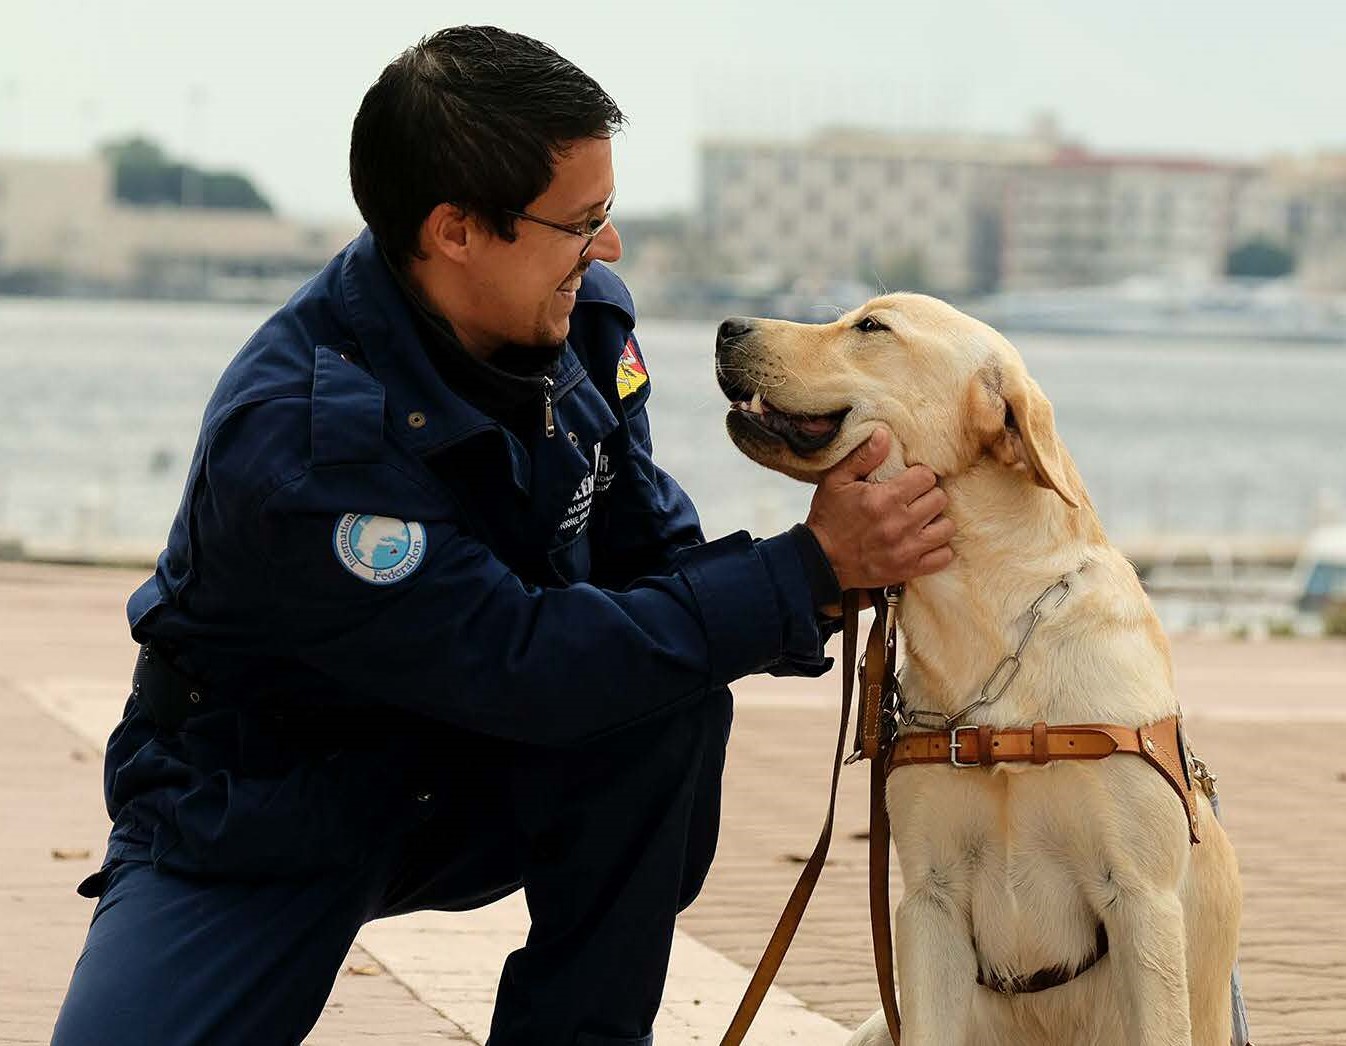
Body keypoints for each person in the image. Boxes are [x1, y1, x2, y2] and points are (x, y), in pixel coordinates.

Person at [52, 25, 954, 1046]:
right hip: (264, 801)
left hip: (474, 765)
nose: (607, 248)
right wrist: (805, 563)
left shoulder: (582, 326)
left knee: (663, 705)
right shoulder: (306, 445)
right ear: (455, 231)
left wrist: (829, 573)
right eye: (581, 221)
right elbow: (519, 660)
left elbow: (649, 571)